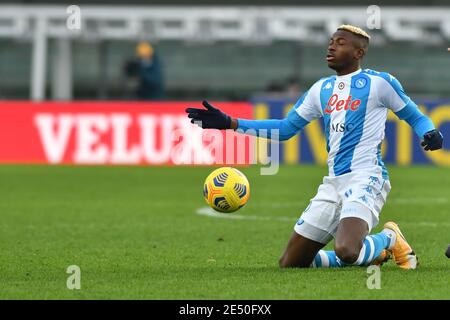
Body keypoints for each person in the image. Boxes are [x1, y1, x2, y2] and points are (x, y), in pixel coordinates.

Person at [185, 25, 444, 269]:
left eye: (340, 43)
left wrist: (429, 132)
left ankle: (388, 238)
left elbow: (414, 115)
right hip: (333, 183)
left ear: (359, 52)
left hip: (367, 177)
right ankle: (369, 251)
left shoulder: (380, 83)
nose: (331, 47)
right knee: (291, 262)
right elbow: (286, 129)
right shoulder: (321, 89)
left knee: (347, 250)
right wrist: (231, 123)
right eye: (331, 42)